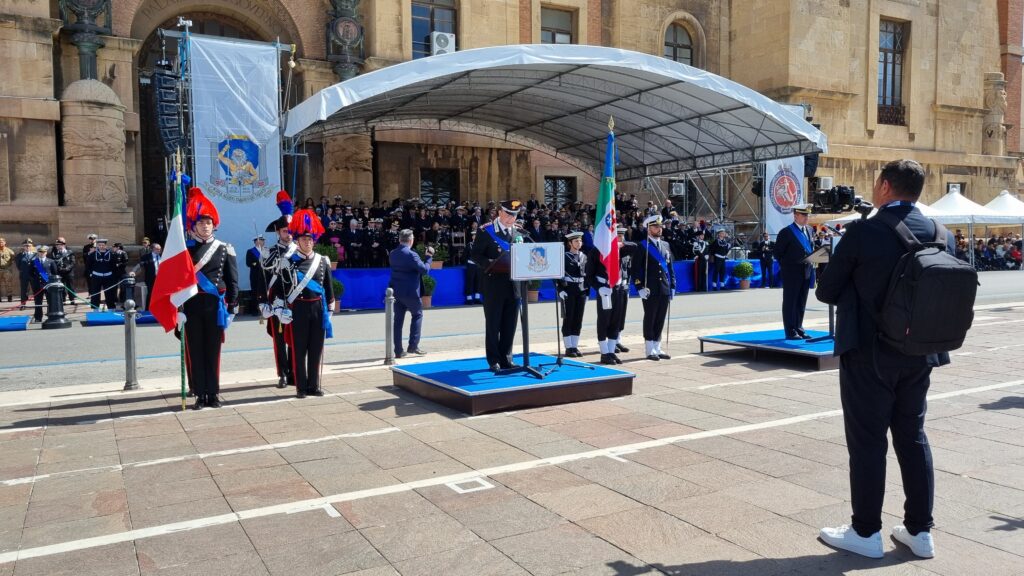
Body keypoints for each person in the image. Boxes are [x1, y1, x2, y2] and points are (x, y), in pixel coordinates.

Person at [815, 159, 951, 560]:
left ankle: (865, 531)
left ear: (886, 186)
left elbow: (827, 292)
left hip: (870, 353)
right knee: (913, 437)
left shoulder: (863, 232)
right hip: (921, 353)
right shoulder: (942, 233)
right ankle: (920, 531)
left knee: (868, 441)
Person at [180, 187, 239, 409]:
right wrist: (178, 309)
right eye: (201, 223)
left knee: (213, 351)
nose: (205, 226)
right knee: (196, 350)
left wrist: (233, 307)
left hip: (215, 307)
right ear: (193, 225)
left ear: (214, 224)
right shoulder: (185, 250)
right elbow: (177, 281)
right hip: (192, 306)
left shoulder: (224, 248)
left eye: (208, 222)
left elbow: (232, 279)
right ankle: (200, 394)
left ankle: (213, 394)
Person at [282, 209, 335, 398]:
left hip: (318, 309)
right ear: (297, 240)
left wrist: (330, 310)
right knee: (299, 350)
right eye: (304, 239)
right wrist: (282, 308)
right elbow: (283, 289)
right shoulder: (289, 262)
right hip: (299, 309)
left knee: (315, 348)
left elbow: (329, 288)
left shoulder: (322, 261)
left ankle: (314, 385)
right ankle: (301, 387)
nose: (308, 242)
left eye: (311, 239)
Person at [471, 199, 528, 372]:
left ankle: (507, 358)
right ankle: (494, 360)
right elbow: (475, 255)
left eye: (515, 215)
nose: (512, 218)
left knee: (510, 324)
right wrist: (490, 263)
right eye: (509, 214)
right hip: (493, 284)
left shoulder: (518, 233)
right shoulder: (486, 231)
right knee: (493, 324)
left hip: (514, 285)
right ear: (500, 213)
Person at [262, 192, 297, 389]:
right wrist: (263, 301)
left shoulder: (300, 250)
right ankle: (282, 373)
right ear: (278, 233)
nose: (288, 234)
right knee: (280, 339)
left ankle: (294, 371)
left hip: (295, 299)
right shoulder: (270, 252)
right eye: (285, 231)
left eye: (290, 231)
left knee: (296, 339)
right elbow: (263, 278)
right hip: (277, 301)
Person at [587, 226, 637, 364]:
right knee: (604, 321)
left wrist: (621, 244)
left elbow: (636, 247)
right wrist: (599, 288)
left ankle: (611, 351)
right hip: (604, 289)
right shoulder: (595, 252)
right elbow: (589, 276)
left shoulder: (620, 249)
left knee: (616, 319)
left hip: (618, 288)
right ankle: (604, 352)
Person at [632, 215, 675, 361]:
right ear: (648, 229)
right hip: (649, 288)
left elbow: (670, 267)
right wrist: (639, 287)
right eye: (656, 227)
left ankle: (658, 347)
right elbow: (636, 269)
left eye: (660, 226)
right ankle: (649, 349)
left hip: (664, 287)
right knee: (650, 317)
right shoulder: (642, 245)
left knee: (660, 318)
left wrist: (673, 285)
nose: (659, 229)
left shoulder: (665, 245)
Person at [773, 203, 816, 340]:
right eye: (804, 215)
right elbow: (778, 253)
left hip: (806, 271)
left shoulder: (809, 230)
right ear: (795, 215)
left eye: (807, 215)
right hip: (792, 273)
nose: (806, 218)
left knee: (801, 302)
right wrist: (788, 266)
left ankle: (799, 327)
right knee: (791, 301)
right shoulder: (786, 232)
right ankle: (790, 330)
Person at [389, 229, 432, 358]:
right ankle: (413, 346)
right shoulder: (411, 254)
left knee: (398, 321)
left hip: (396, 291)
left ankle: (398, 350)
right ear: (411, 240)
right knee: (417, 315)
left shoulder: (393, 253)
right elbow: (424, 270)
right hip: (411, 292)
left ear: (399, 240)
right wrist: (429, 258)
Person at [556, 231, 588, 358]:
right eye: (576, 241)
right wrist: (560, 289)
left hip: (581, 290)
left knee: (578, 318)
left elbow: (587, 274)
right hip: (569, 289)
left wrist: (587, 290)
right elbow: (557, 274)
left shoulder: (584, 256)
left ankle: (575, 345)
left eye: (580, 241)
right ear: (570, 243)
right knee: (569, 318)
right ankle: (568, 347)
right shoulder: (564, 256)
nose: (579, 243)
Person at [28, 245, 58, 322]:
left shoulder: (51, 261)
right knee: (38, 302)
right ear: (38, 252)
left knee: (50, 301)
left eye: (43, 252)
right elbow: (30, 273)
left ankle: (51, 315)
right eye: (40, 252)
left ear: (46, 253)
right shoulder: (34, 262)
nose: (42, 253)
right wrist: (35, 280)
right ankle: (38, 317)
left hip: (48, 285)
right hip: (37, 285)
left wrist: (51, 281)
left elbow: (54, 273)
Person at [87, 239, 117, 309]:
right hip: (96, 277)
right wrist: (91, 274)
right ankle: (95, 309)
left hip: (108, 277)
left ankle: (111, 309)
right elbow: (88, 265)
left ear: (106, 246)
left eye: (103, 245)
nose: (101, 247)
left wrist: (113, 276)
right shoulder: (92, 255)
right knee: (95, 294)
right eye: (99, 245)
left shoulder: (111, 255)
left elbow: (114, 267)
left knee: (109, 293)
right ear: (97, 246)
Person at [246, 235, 267, 315]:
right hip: (255, 275)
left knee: (265, 292)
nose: (263, 241)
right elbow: (248, 263)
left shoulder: (266, 250)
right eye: (261, 240)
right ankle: (254, 310)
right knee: (255, 292)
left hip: (265, 275)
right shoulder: (251, 251)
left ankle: (266, 310)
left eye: (263, 240)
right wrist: (258, 263)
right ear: (256, 241)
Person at [135, 243, 161, 309]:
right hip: (151, 278)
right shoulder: (146, 257)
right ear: (152, 249)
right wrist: (133, 271)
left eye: (160, 249)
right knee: (151, 293)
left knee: (160, 294)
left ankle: (158, 308)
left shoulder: (162, 256)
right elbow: (140, 264)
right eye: (157, 249)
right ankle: (148, 308)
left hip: (160, 278)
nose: (159, 250)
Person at [51, 238, 76, 304]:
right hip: (60, 273)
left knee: (70, 286)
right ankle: (63, 299)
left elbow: (72, 262)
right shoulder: (55, 253)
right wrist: (59, 269)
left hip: (69, 272)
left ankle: (72, 299)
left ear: (63, 245)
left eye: (59, 245)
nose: (57, 246)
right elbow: (54, 263)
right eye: (57, 245)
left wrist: (67, 268)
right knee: (61, 286)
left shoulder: (70, 252)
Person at [16, 239, 35, 308]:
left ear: (31, 246)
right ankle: (23, 304)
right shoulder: (19, 255)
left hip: (33, 275)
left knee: (35, 289)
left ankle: (37, 303)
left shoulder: (35, 255)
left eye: (29, 246)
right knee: (24, 290)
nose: (27, 247)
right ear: (23, 247)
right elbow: (18, 265)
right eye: (26, 246)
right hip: (24, 275)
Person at [0, 237, 14, 302]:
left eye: (2, 242)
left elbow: (13, 259)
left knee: (8, 284)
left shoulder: (9, 251)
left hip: (6, 269)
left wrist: (9, 267)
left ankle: (9, 297)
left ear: (5, 242)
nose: (0, 243)